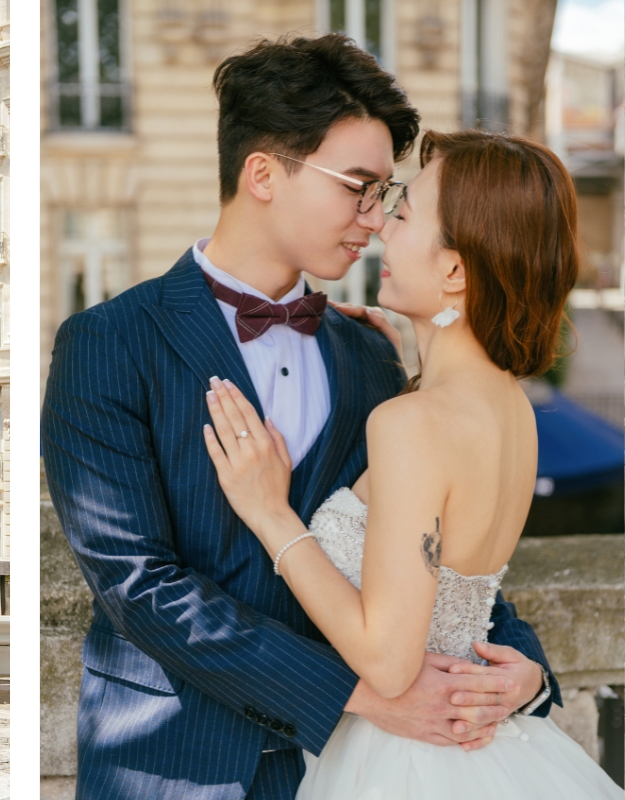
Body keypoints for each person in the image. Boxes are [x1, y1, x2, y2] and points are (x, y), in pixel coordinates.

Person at [41, 34, 558, 799]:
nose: (376, 217)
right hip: (172, 766)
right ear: (262, 175)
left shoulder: (372, 355)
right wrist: (363, 694)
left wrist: (525, 674)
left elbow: (435, 552)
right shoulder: (106, 342)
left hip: (353, 766)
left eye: (389, 194)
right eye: (359, 184)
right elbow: (138, 585)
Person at [201, 128, 619, 798]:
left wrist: (270, 513)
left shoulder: (413, 423)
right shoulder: (510, 409)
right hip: (491, 753)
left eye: (403, 213)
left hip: (404, 761)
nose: (381, 227)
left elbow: (389, 665)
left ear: (454, 270)